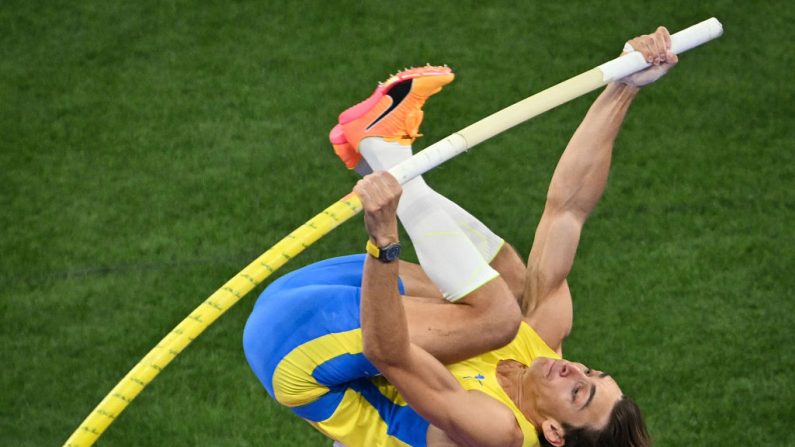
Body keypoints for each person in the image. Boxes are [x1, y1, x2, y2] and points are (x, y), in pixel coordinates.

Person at [244, 26, 678, 447]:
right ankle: (377, 155)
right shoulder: (547, 343)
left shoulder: (497, 431)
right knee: (515, 288)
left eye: (579, 394)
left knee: (498, 318)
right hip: (332, 292)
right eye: (592, 372)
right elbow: (567, 210)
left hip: (292, 345)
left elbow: (386, 352)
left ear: (553, 433)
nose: (575, 372)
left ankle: (384, 154)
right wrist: (623, 86)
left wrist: (384, 242)